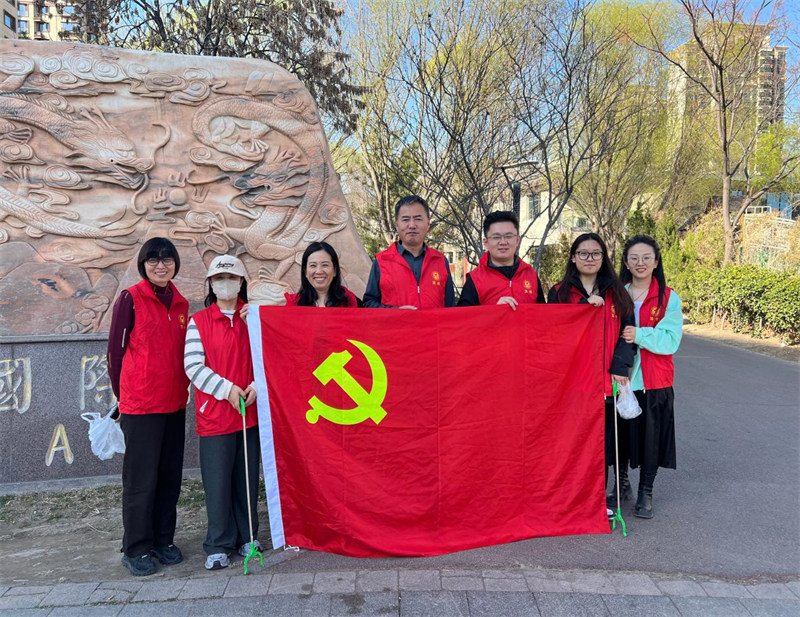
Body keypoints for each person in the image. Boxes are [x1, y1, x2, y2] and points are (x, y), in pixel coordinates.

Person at [107, 237, 189, 576]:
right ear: (143, 265)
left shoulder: (181, 303)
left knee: (169, 476)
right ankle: (136, 547)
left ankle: (162, 540)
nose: (160, 265)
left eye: (167, 259)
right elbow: (115, 352)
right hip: (140, 405)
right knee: (141, 480)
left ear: (175, 264)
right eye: (153, 259)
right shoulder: (131, 298)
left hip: (174, 403)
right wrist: (122, 395)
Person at [547, 233, 636, 509]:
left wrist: (619, 366)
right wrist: (583, 309)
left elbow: (628, 334)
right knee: (571, 442)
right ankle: (569, 501)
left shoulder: (618, 293)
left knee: (601, 444)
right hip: (572, 382)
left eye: (596, 253)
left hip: (605, 381)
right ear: (573, 257)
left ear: (603, 258)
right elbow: (551, 333)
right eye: (583, 253)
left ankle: (596, 501)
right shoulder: (559, 292)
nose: (589, 258)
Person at [184, 255, 261, 570]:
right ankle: (218, 543)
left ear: (241, 282)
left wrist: (256, 386)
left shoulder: (253, 317)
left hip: (248, 414)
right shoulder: (199, 321)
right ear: (211, 284)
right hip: (215, 415)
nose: (225, 283)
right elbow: (193, 365)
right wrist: (226, 390)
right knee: (217, 483)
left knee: (246, 479)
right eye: (218, 278)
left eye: (231, 277)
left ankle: (248, 537)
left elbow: (268, 355)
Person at [619, 234, 683, 519]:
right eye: (634, 258)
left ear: (656, 262)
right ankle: (621, 483)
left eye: (646, 257)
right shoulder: (617, 294)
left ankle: (646, 490)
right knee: (619, 436)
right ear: (626, 262)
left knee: (651, 439)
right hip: (620, 379)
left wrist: (639, 335)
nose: (640, 263)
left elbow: (670, 340)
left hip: (654, 381)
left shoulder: (668, 298)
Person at [363, 195, 455, 308]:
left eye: (418, 219)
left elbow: (450, 308)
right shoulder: (381, 261)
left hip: (434, 321)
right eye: (405, 219)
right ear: (397, 225)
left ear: (428, 223)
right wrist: (395, 312)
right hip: (396, 321)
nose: (412, 225)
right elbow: (368, 303)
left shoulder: (440, 261)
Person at [458, 211, 545, 307]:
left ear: (517, 240)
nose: (503, 242)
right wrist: (495, 311)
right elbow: (464, 315)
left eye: (508, 236)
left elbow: (543, 313)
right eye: (496, 237)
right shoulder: (475, 279)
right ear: (486, 242)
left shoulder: (530, 275)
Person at [284, 242, 359, 307]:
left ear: (335, 270)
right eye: (313, 265)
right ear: (305, 272)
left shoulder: (348, 300)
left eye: (325, 265)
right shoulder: (294, 303)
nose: (319, 271)